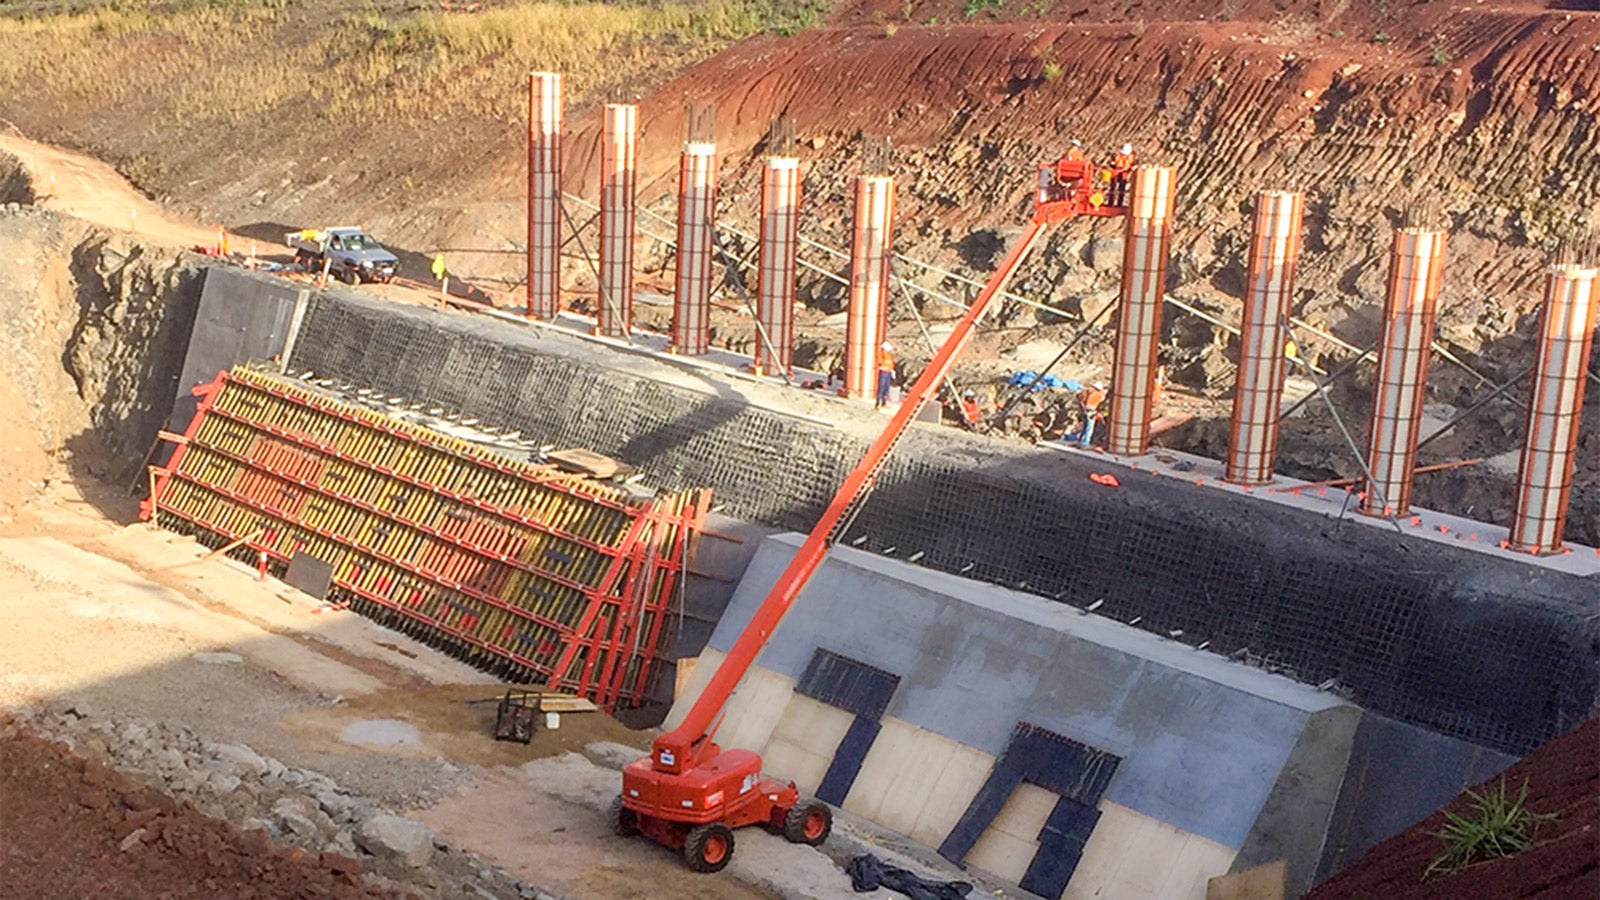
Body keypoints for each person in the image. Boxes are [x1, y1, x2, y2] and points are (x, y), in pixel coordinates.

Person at [1079, 381, 1107, 448]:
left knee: (1084, 428)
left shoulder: (1087, 392)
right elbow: (1099, 402)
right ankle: (1085, 443)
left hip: (1084, 411)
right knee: (1089, 429)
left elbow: (1081, 400)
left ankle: (1080, 441)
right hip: (1091, 412)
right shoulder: (1097, 394)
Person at [875, 341, 895, 408]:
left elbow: (891, 363)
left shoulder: (889, 355)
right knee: (881, 387)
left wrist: (892, 371)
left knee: (886, 388)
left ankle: (884, 402)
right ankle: (878, 403)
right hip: (883, 373)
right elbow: (879, 363)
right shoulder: (881, 354)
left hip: (888, 373)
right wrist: (882, 367)